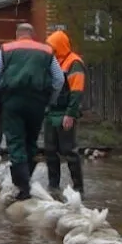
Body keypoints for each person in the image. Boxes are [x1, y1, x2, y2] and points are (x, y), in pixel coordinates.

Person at [0, 23, 64, 200]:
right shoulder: (46, 51)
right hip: (37, 102)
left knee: (15, 142)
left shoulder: (5, 50)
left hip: (12, 102)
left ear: (17, 35)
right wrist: (49, 100)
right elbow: (59, 79)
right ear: (33, 35)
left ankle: (22, 188)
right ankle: (25, 183)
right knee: (31, 143)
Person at [45, 29, 86, 196]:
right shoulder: (54, 63)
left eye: (52, 48)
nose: (50, 51)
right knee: (50, 150)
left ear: (59, 47)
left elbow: (77, 91)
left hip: (65, 113)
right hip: (52, 112)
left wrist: (70, 113)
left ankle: (78, 189)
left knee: (69, 152)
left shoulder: (74, 63)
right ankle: (53, 186)